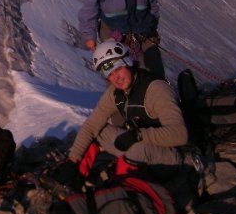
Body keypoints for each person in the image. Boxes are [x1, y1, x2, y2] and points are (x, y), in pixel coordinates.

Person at [53, 40, 192, 184]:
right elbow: (91, 126)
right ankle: (78, 178)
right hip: (141, 146)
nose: (116, 78)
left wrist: (138, 135)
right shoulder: (116, 93)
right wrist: (73, 160)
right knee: (100, 130)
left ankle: (120, 186)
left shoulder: (156, 89)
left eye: (118, 69)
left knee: (138, 150)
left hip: (170, 156)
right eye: (109, 74)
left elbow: (180, 134)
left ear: (127, 62)